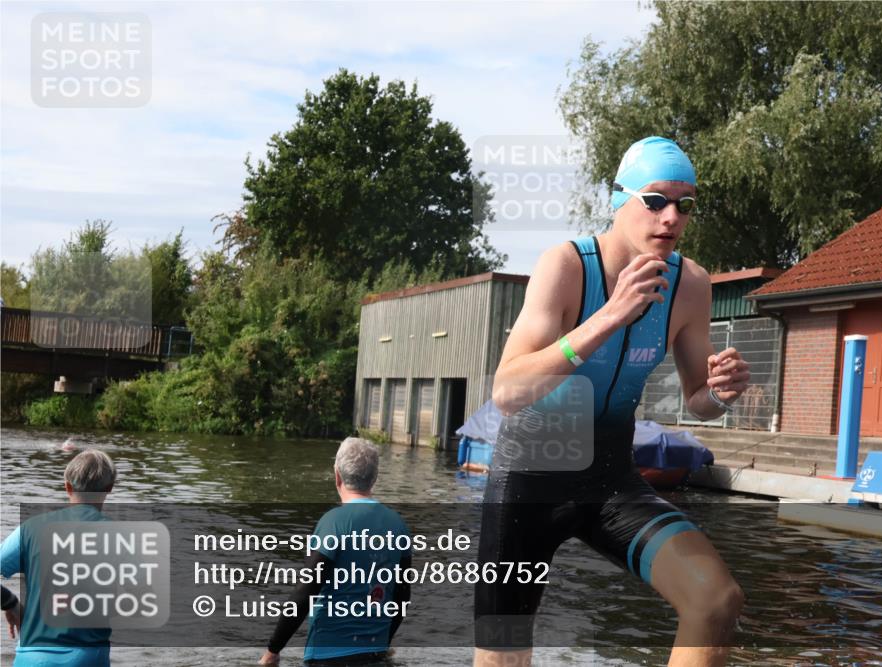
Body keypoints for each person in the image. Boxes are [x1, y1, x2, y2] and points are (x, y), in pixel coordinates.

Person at [475, 137, 750, 667]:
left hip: (610, 481)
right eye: (655, 200)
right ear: (618, 199)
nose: (671, 217)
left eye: (685, 205)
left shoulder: (690, 284)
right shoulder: (566, 266)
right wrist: (608, 316)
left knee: (715, 600)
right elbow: (507, 392)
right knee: (502, 656)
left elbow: (699, 401)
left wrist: (720, 392)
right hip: (528, 482)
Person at [260, 438, 411, 666]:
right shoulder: (398, 525)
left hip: (327, 656)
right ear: (375, 477)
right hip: (376, 655)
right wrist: (383, 643)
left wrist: (273, 650)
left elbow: (306, 591)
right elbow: (402, 597)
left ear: (337, 475)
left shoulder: (333, 523)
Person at [0, 449, 117, 666]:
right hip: (86, 658)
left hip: (31, 658)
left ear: (67, 486)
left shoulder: (30, 529)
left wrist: (9, 601)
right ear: (110, 487)